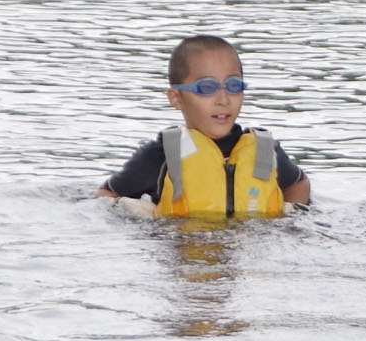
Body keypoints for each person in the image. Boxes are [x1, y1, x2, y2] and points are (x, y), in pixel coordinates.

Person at [99, 35, 312, 219]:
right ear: (176, 98)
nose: (223, 99)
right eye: (206, 88)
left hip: (250, 258)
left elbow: (299, 184)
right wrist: (140, 219)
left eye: (234, 86)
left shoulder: (265, 151)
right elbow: (106, 196)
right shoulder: (163, 154)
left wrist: (290, 218)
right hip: (187, 256)